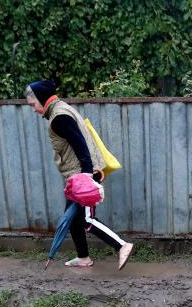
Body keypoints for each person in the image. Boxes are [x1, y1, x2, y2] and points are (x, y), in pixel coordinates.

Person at [25, 80, 134, 270]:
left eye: (33, 105)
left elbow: (80, 144)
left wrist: (86, 176)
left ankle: (122, 245)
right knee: (74, 218)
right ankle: (83, 257)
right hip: (77, 176)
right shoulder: (60, 109)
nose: (33, 109)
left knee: (86, 219)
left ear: (41, 99)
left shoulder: (59, 117)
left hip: (83, 175)